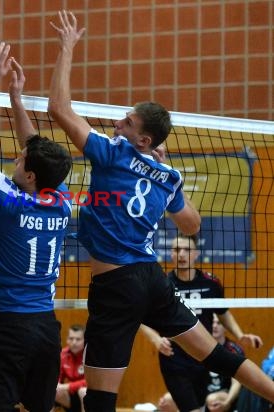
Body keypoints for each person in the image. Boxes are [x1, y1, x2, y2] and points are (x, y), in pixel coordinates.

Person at [47, 9, 274, 412]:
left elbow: (58, 109)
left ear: (143, 137)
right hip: (152, 280)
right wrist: (159, 175)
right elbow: (192, 223)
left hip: (115, 287)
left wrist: (66, 48)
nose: (118, 123)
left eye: (127, 122)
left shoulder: (112, 152)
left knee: (98, 398)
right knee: (219, 356)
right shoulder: (167, 175)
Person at [0, 41, 73, 412]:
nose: (17, 157)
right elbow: (33, 145)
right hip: (45, 332)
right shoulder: (62, 201)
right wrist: (17, 103)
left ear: (31, 174)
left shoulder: (6, 201)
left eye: (21, 159)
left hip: (7, 329)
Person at [142, 234, 260, 412]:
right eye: (176, 249)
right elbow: (141, 319)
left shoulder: (210, 283)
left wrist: (240, 334)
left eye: (187, 250)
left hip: (203, 355)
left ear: (196, 253)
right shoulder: (162, 284)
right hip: (174, 359)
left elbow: (222, 312)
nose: (181, 254)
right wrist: (156, 340)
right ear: (171, 253)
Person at [157, 314, 245, 412]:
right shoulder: (196, 347)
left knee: (211, 399)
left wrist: (227, 402)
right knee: (167, 400)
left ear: (225, 327)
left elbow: (237, 382)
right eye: (212, 323)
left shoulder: (232, 349)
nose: (214, 326)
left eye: (218, 323)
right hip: (200, 389)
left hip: (222, 392)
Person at [56, 324, 87, 412]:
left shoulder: (89, 355)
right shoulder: (63, 354)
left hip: (88, 396)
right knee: (52, 390)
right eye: (71, 338)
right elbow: (58, 378)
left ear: (85, 340)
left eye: (78, 339)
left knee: (83, 391)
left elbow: (91, 382)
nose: (74, 342)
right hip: (71, 397)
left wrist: (68, 386)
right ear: (67, 340)